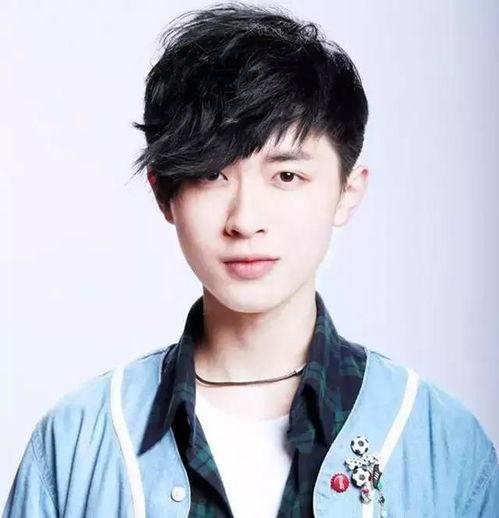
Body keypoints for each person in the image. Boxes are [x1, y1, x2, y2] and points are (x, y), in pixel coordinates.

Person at [3, 3, 498, 518]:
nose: (245, 219)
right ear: (164, 193)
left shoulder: (444, 445)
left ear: (347, 192)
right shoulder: (76, 442)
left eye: (286, 176)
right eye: (211, 174)